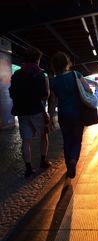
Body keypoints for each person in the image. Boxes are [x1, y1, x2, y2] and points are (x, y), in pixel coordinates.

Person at [49, 51, 92, 179]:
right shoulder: (76, 75)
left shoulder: (54, 81)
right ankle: (73, 160)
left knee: (67, 140)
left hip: (63, 114)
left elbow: (52, 101)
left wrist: (51, 117)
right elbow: (88, 90)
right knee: (77, 140)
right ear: (67, 63)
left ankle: (68, 165)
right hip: (78, 114)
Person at [9, 47, 51, 177]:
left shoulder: (16, 75)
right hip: (36, 111)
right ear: (37, 60)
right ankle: (43, 161)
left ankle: (28, 168)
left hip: (22, 112)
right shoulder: (40, 75)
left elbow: (12, 93)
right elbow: (45, 96)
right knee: (43, 135)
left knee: (26, 141)